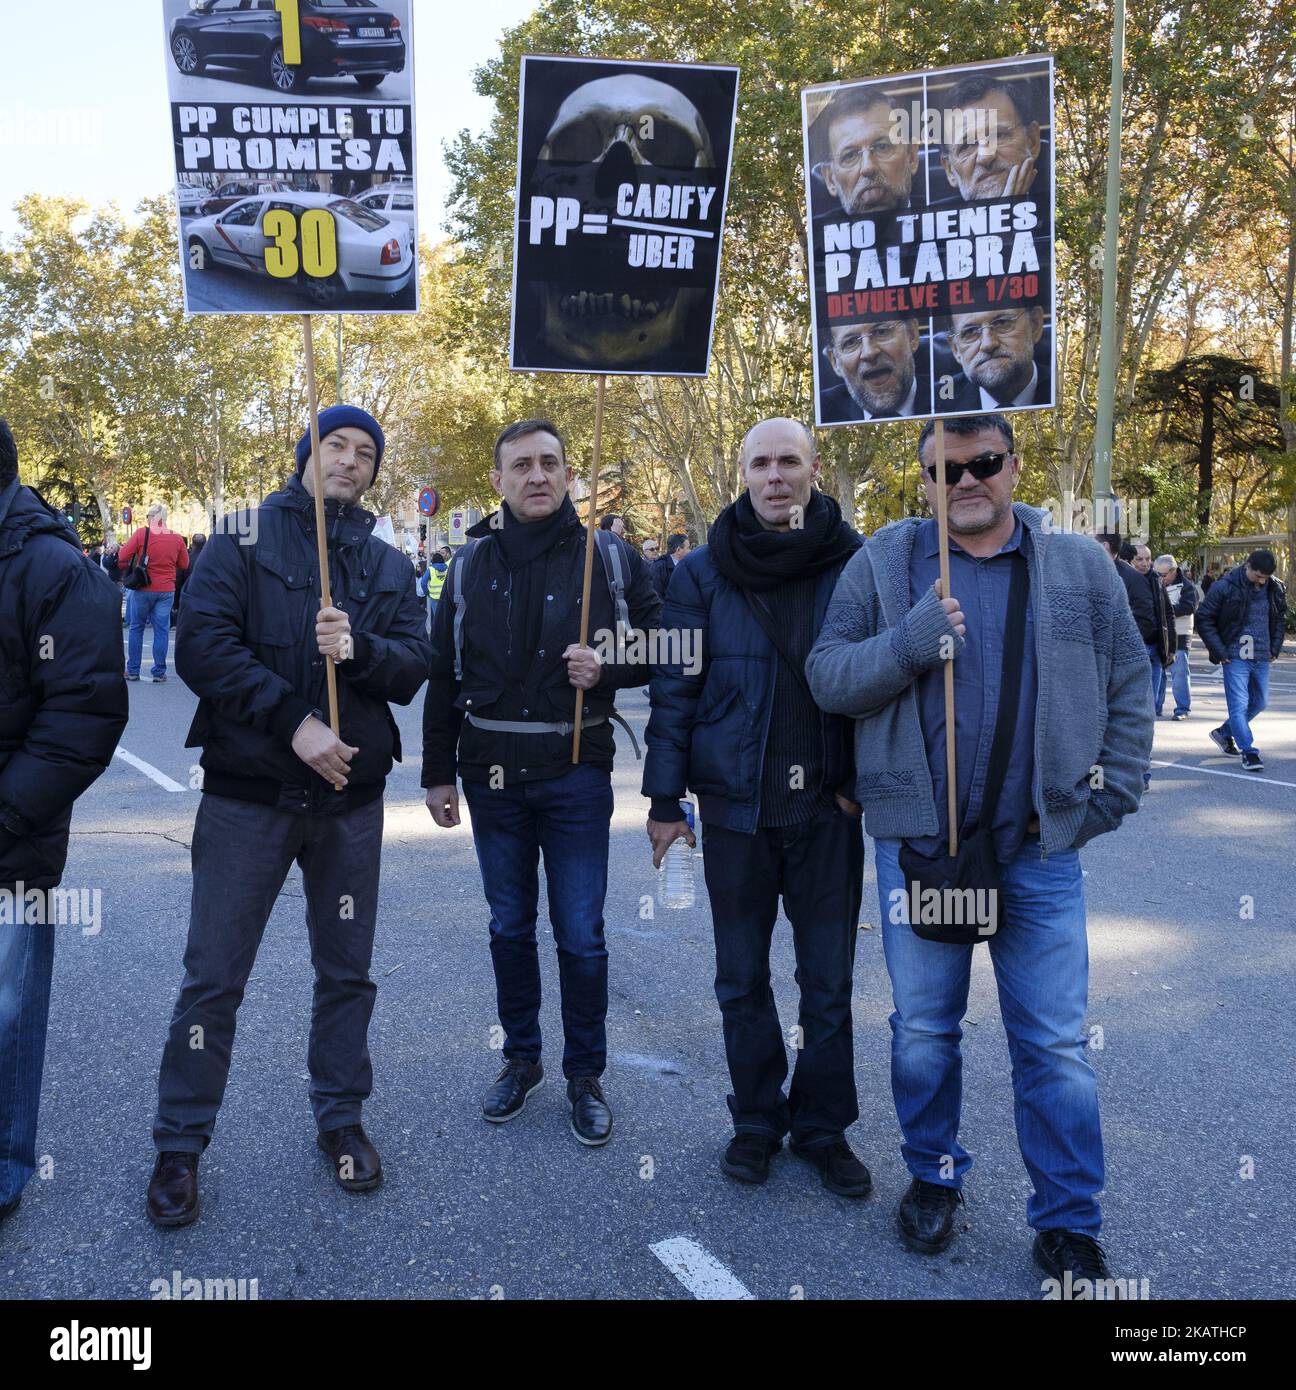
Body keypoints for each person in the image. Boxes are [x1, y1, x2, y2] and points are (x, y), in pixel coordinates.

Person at [806, 413, 1153, 1288]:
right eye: (945, 468)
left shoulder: (1075, 564)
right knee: (924, 1030)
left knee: (1055, 1047)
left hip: (1038, 852)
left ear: (1013, 464)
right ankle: (933, 1176)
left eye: (983, 462)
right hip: (923, 848)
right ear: (923, 479)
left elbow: (1128, 682)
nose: (966, 480)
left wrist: (1111, 795)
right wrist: (910, 644)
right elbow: (828, 675)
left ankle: (1069, 1223)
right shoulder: (884, 562)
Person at [147, 404, 431, 1228]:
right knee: (213, 980)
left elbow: (416, 662)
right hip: (249, 797)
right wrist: (293, 721)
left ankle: (341, 1121)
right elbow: (202, 645)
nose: (349, 460)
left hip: (350, 803)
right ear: (304, 452)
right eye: (335, 445)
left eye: (365, 452)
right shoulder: (238, 538)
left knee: (347, 973)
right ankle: (179, 1146)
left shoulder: (384, 562)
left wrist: (361, 652)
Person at [643, 419, 869, 1195]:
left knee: (828, 983)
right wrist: (665, 798)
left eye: (789, 462)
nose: (776, 476)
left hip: (828, 814)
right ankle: (756, 1120)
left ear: (814, 468)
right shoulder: (700, 572)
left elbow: (883, 690)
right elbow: (674, 692)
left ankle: (823, 1127)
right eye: (761, 463)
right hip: (736, 810)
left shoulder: (857, 562)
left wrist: (859, 786)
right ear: (742, 472)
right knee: (741, 978)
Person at [422, 419, 661, 1147]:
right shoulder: (466, 567)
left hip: (575, 773)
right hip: (491, 777)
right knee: (508, 925)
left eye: (550, 463)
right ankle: (521, 1059)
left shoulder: (609, 559)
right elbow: (442, 672)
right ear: (496, 482)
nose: (538, 476)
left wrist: (610, 668)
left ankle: (584, 1075)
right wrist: (436, 773)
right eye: (521, 465)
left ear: (569, 476)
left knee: (582, 934)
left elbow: (665, 646)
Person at [0, 417, 129, 1225]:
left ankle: (8, 1157)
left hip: (10, 840)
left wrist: (7, 811)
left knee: (5, 1013)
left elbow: (84, 712)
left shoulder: (52, 566)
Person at [1195, 549, 1287, 772]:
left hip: (1262, 655)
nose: (1261, 581)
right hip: (1234, 656)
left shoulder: (1274, 587)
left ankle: (1224, 733)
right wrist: (1220, 651)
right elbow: (1203, 617)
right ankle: (1249, 751)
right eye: (1257, 576)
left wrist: (1275, 647)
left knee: (1260, 702)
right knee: (1238, 705)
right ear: (1247, 566)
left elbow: (1279, 619)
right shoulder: (1224, 586)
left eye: (1265, 577)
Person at [937, 73, 1042, 202]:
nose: (986, 157)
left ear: (1032, 141)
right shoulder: (929, 221)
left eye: (998, 135)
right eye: (967, 146)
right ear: (950, 170)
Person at [815, 85, 919, 216]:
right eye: (850, 155)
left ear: (912, 156)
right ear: (830, 179)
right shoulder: (818, 234)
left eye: (882, 147)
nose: (868, 167)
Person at [118, 505, 189, 683]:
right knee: (162, 631)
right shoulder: (177, 538)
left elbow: (122, 555)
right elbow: (185, 564)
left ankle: (133, 670)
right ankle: (159, 672)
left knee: (137, 628)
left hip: (143, 588)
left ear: (150, 518)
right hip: (166, 591)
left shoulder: (142, 534)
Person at [941, 307, 1052, 412]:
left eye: (1001, 323)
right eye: (970, 332)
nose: (988, 344)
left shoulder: (1064, 387)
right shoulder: (937, 405)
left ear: (1034, 325)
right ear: (955, 349)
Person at [820, 319, 930, 423]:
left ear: (912, 335)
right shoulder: (822, 411)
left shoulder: (944, 398)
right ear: (835, 362)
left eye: (881, 332)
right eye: (851, 342)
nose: (869, 353)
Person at [1153, 555, 1199, 720]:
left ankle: (1182, 709)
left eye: (1163, 575)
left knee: (1179, 673)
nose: (1161, 578)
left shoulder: (1187, 586)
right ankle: (1155, 707)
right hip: (1159, 635)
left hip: (1180, 635)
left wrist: (1164, 610)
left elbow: (1188, 607)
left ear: (1173, 571)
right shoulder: (1155, 583)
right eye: (1157, 574)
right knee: (1158, 673)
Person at [651, 532, 691, 600]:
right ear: (678, 550)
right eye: (688, 548)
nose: (690, 551)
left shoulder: (689, 565)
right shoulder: (658, 567)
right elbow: (655, 597)